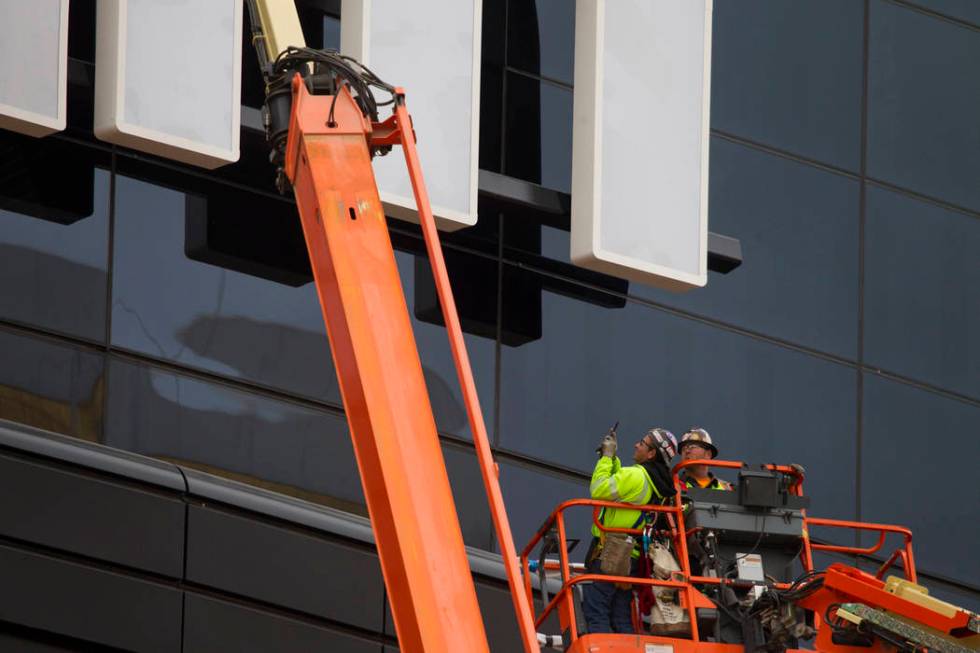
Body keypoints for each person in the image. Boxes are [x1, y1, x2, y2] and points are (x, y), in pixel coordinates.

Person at [582, 427, 678, 634]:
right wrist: (612, 458)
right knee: (620, 615)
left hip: (611, 554)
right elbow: (624, 488)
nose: (636, 445)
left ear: (652, 454)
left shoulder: (636, 475)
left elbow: (599, 490)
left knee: (596, 609)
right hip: (632, 556)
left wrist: (606, 458)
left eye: (642, 443)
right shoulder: (659, 483)